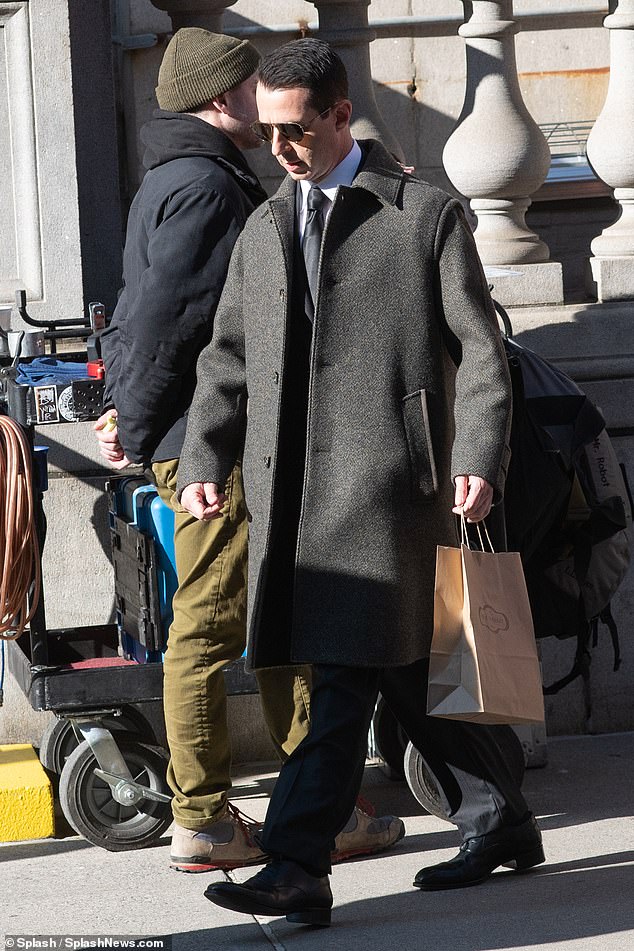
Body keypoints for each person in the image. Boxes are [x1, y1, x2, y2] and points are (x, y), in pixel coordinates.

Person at [177, 38, 545, 927]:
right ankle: (502, 823)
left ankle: (297, 861)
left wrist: (475, 458)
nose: (281, 149)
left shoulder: (424, 213)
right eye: (267, 132)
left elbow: (484, 354)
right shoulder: (265, 227)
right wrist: (203, 459)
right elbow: (227, 360)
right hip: (292, 499)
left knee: (342, 677)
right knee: (409, 671)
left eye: (297, 129)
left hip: (391, 492)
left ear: (342, 115)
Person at [95, 28, 403, 875]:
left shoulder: (179, 175)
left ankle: (319, 801)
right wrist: (141, 416)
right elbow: (172, 326)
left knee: (266, 619)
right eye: (248, 87)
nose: (261, 101)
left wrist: (127, 409)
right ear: (222, 98)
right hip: (211, 445)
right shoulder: (206, 188)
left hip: (198, 435)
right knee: (218, 621)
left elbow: (138, 312)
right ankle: (211, 813)